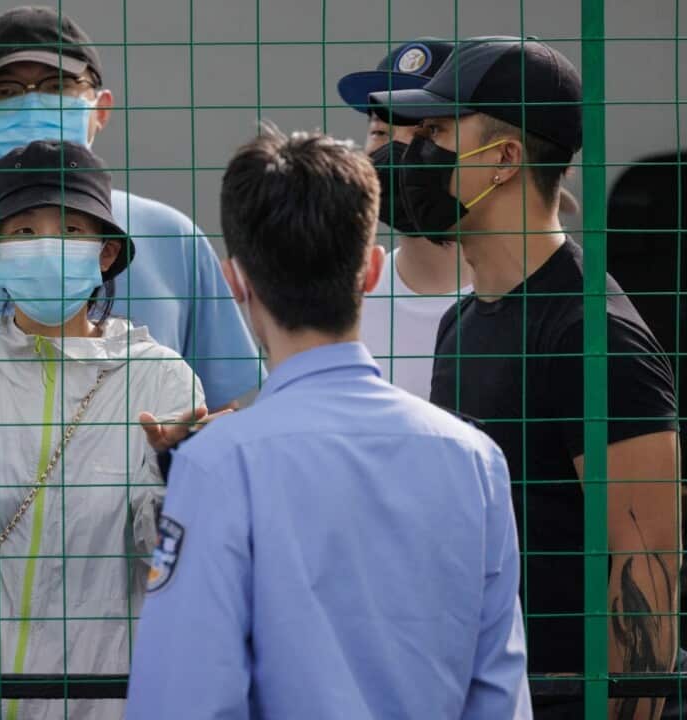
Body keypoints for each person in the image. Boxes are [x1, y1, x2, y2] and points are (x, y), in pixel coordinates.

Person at [126, 124, 530, 719]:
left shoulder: (218, 463)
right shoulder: (474, 458)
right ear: (369, 270)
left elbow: (186, 696)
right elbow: (498, 693)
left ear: (236, 282)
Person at [371, 36, 680, 719]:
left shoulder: (592, 336)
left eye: (435, 134)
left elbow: (647, 574)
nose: (409, 153)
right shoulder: (463, 321)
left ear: (505, 159)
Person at [0, 139, 211, 720]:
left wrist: (179, 473)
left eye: (71, 230)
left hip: (103, 695)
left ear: (106, 254)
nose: (46, 247)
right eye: (23, 232)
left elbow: (166, 560)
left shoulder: (159, 378)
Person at [0, 5, 259, 411]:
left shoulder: (173, 241)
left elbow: (217, 413)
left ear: (100, 109)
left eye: (59, 85)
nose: (35, 105)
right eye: (5, 92)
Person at [338, 37, 473, 398]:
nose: (396, 152)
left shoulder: (529, 302)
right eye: (380, 132)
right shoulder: (342, 306)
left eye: (425, 131)